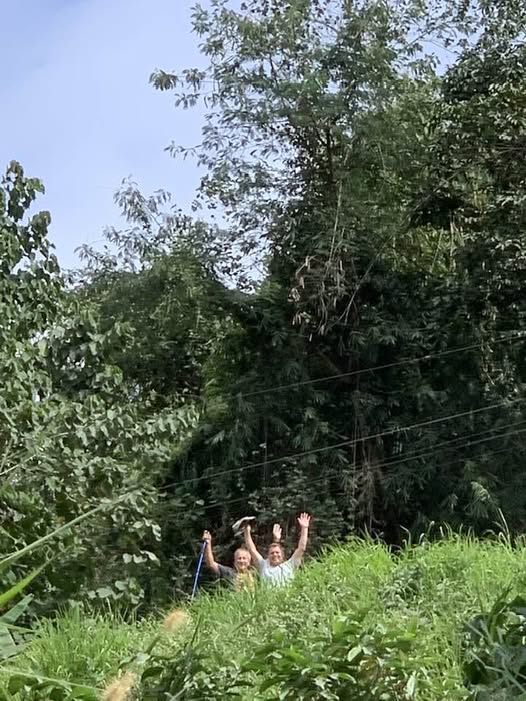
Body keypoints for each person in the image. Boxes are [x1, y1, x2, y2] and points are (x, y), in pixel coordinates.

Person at [243, 512, 311, 586]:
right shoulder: (263, 565)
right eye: (272, 553)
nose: (275, 555)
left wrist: (304, 528)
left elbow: (301, 548)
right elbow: (252, 550)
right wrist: (247, 531)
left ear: (282, 554)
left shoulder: (290, 565)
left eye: (277, 552)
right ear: (268, 555)